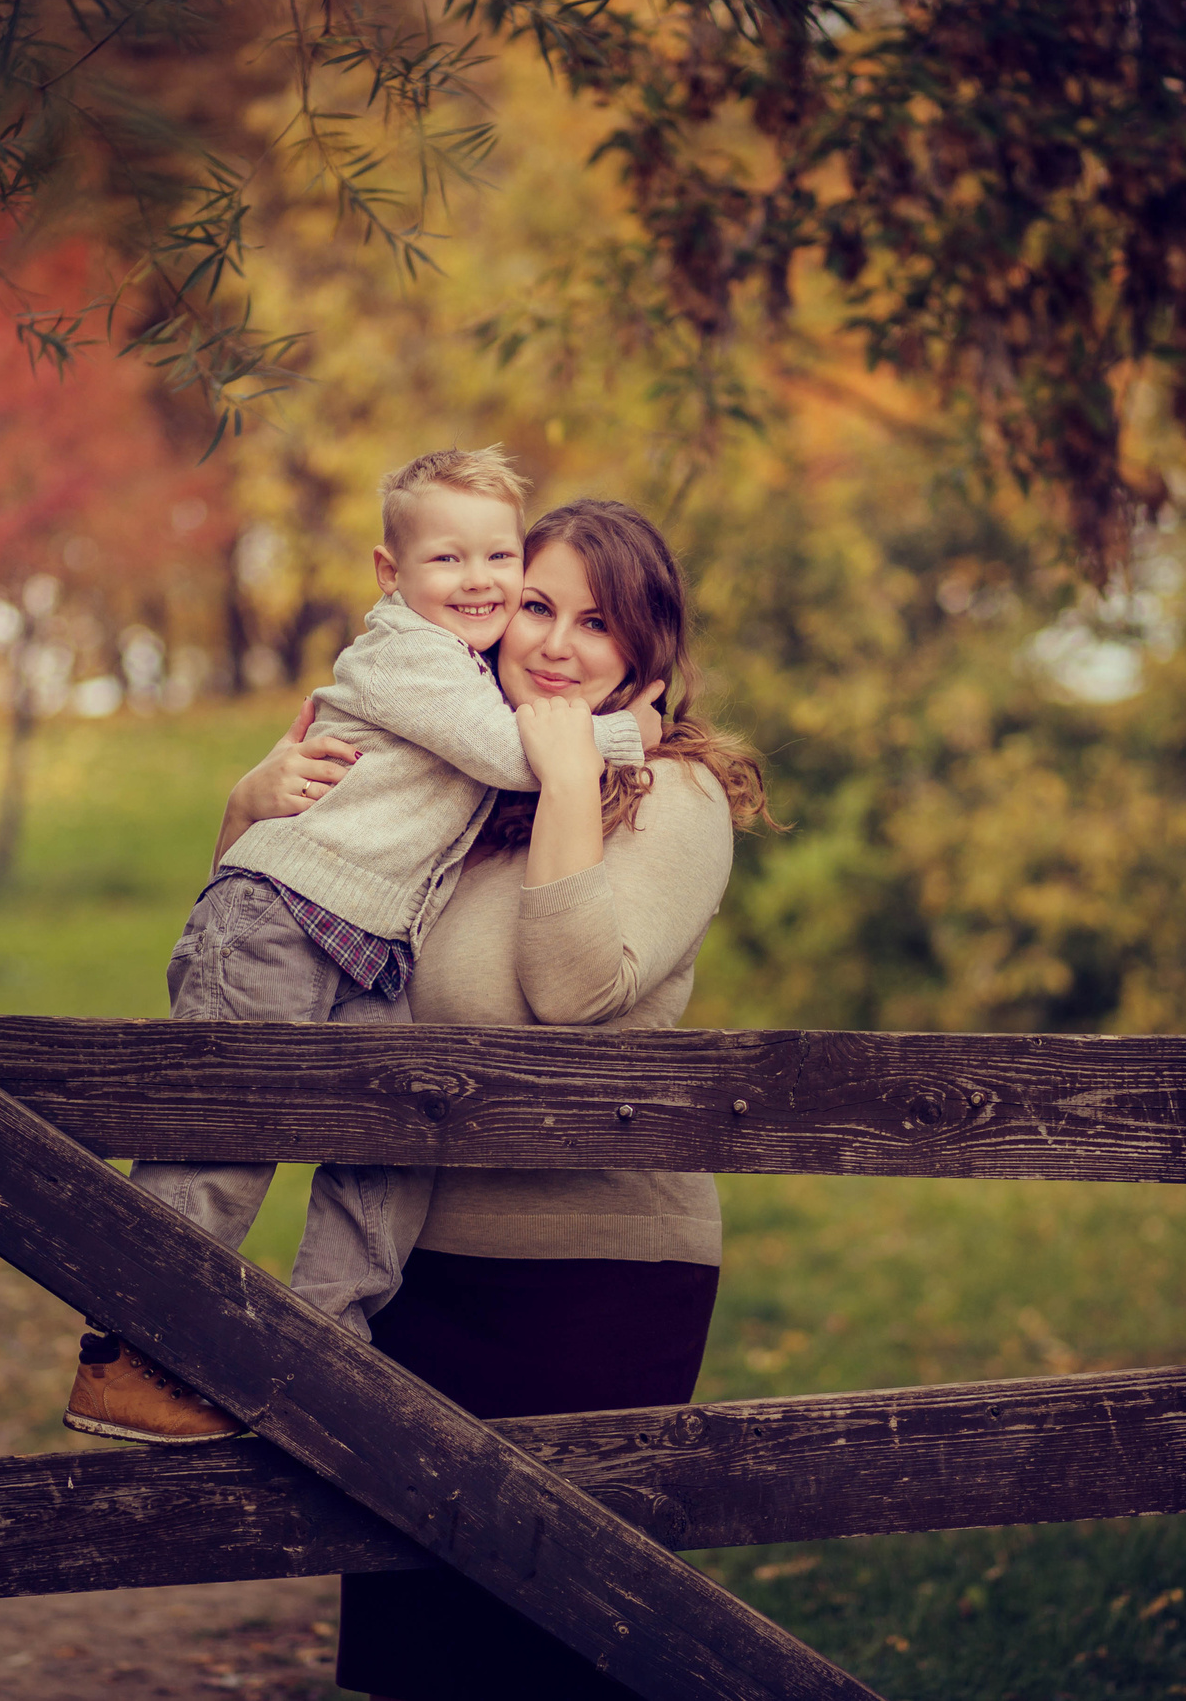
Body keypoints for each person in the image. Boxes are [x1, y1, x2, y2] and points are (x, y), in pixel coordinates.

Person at [225, 498, 773, 1701]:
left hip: (595, 1279)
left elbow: (573, 995)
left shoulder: (673, 798)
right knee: (415, 1649)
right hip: (415, 1267)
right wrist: (248, 805)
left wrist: (575, 774)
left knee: (550, 1651)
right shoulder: (455, 789)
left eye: (599, 622)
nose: (560, 644)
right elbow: (259, 958)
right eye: (537, 605)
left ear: (647, 652)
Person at [63, 450, 664, 1445]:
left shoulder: (473, 670)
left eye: (497, 555)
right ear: (391, 575)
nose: (476, 579)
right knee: (222, 1137)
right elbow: (507, 754)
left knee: (392, 1150)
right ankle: (127, 1356)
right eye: (446, 558)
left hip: (362, 947)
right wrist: (621, 732)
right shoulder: (405, 654)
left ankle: (321, 1345)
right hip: (279, 918)